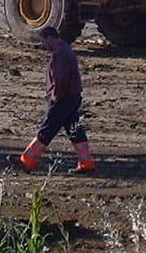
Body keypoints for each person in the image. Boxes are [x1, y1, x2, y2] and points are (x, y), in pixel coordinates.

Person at [14, 26, 96, 173]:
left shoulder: (60, 54)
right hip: (72, 97)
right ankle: (86, 162)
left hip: (63, 99)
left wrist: (56, 97)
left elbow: (61, 78)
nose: (43, 46)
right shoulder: (66, 50)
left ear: (50, 38)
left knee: (47, 129)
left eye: (43, 42)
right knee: (75, 131)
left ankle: (27, 161)